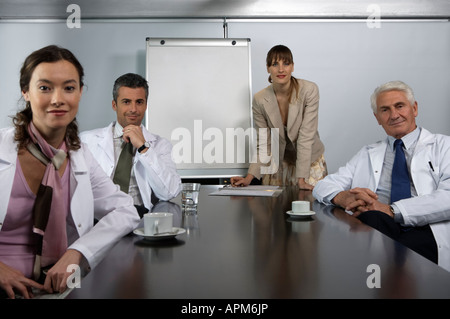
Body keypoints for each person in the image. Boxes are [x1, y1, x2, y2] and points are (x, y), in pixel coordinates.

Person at [0, 45, 140, 299]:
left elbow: (125, 210)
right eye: (44, 88)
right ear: (25, 92)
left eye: (69, 87)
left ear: (80, 93)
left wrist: (79, 251)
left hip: (58, 291)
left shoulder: (79, 155)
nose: (58, 99)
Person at [313, 80, 450, 271]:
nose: (394, 115)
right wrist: (342, 197)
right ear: (377, 117)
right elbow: (322, 186)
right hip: (378, 228)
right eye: (385, 110)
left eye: (399, 106)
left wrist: (392, 210)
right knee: (370, 223)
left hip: (426, 229)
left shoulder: (444, 146)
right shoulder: (368, 152)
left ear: (414, 108)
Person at [80, 73, 181, 217]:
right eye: (126, 102)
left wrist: (144, 148)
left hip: (139, 220)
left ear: (146, 105)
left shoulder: (160, 145)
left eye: (139, 102)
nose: (133, 109)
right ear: (114, 105)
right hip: (97, 220)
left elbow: (169, 192)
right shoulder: (86, 141)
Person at [231, 45, 327, 190]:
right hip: (281, 161)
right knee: (275, 209)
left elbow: (306, 137)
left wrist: (301, 180)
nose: (281, 69)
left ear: (292, 67)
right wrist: (249, 178)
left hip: (309, 160)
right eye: (275, 64)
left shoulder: (309, 90)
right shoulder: (260, 99)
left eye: (286, 64)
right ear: (268, 68)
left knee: (310, 206)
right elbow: (264, 145)